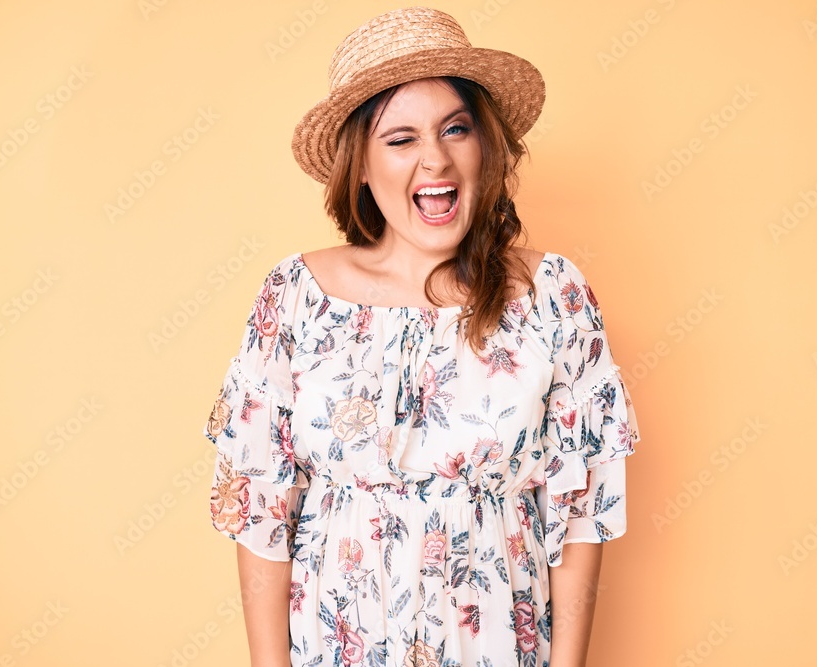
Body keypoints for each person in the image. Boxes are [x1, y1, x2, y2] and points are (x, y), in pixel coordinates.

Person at [203, 7, 641, 666]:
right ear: (359, 166)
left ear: (484, 144)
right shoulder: (295, 295)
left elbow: (580, 516)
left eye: (455, 128)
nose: (435, 158)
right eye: (400, 139)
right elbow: (261, 513)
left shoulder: (553, 294)